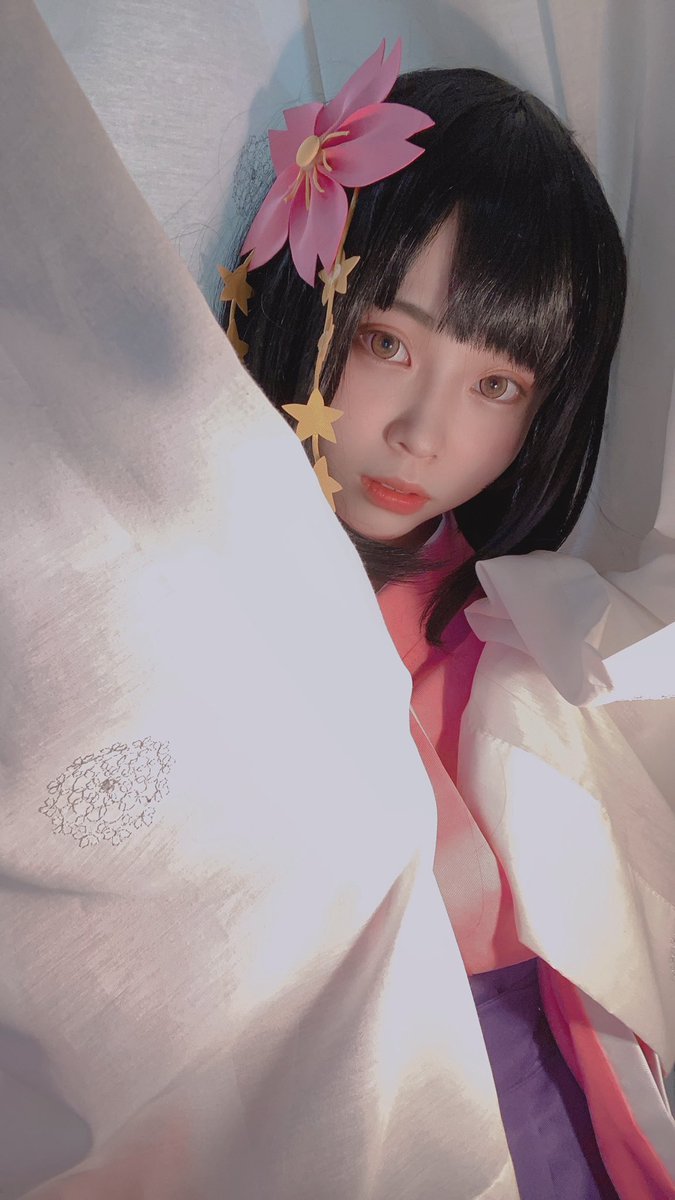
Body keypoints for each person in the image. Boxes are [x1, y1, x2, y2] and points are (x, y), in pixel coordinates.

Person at [218, 43, 675, 1199]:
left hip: (556, 1085)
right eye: (388, 341)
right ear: (312, 300)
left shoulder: (518, 616)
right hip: (344, 1108)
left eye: (496, 385)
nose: (424, 433)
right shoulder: (209, 594)